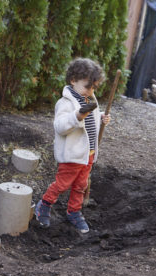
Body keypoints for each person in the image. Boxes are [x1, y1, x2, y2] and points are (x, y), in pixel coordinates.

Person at [34, 58, 110, 234]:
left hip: (88, 154)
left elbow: (90, 122)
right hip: (72, 155)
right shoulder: (66, 103)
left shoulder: (90, 98)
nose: (90, 91)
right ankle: (44, 205)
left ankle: (74, 212)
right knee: (62, 184)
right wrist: (77, 116)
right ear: (73, 80)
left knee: (80, 185)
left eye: (94, 87)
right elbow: (60, 127)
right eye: (87, 86)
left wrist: (101, 119)